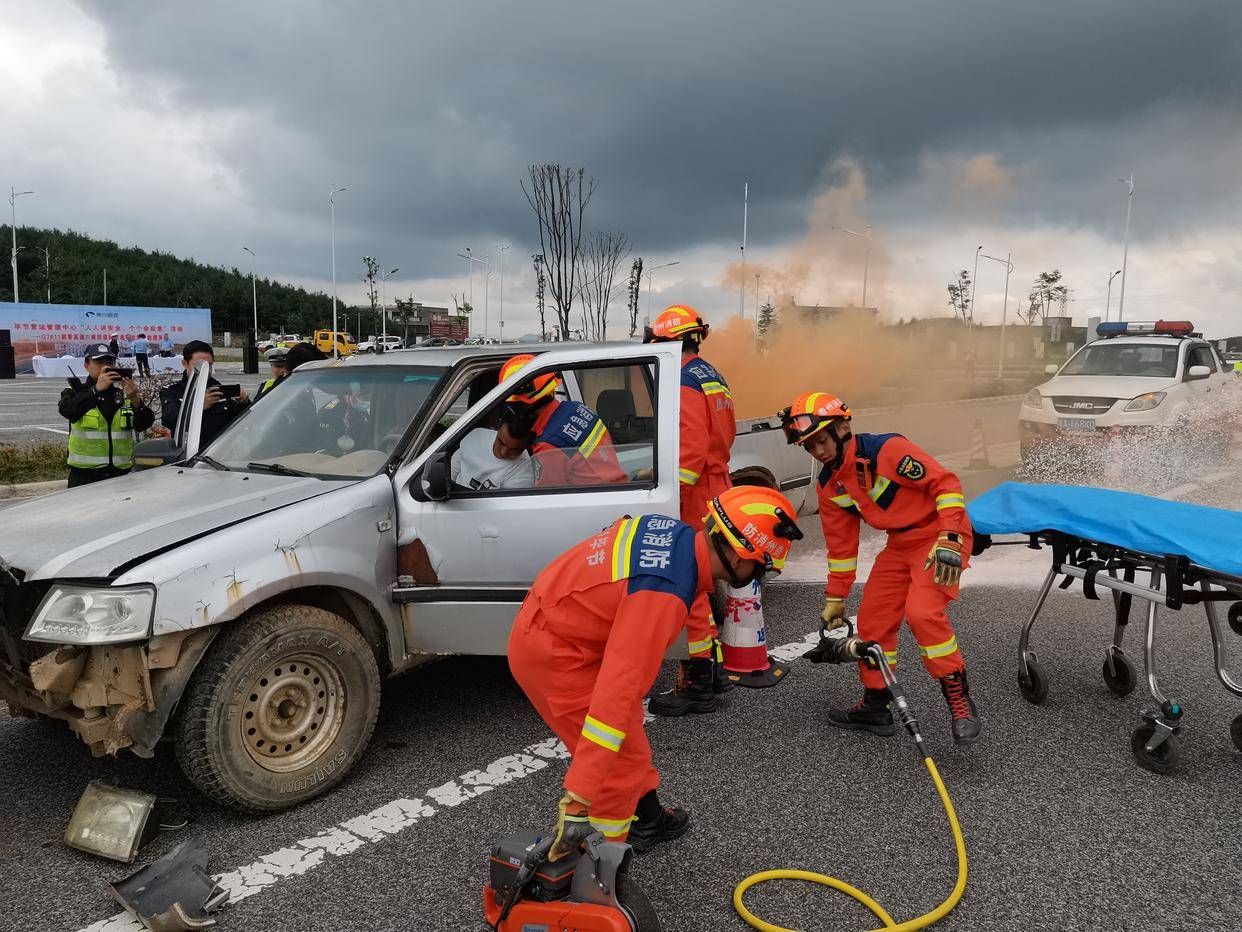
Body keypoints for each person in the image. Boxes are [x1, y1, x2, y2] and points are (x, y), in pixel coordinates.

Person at [508, 486, 803, 859]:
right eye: (759, 568)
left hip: (557, 625)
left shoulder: (676, 536)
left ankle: (647, 817)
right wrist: (579, 797)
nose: (757, 577)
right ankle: (598, 876)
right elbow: (615, 697)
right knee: (616, 773)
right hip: (555, 655)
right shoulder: (662, 594)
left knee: (628, 739)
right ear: (737, 555)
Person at [783, 392, 981, 745]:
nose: (817, 453)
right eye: (808, 447)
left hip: (940, 538)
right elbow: (842, 550)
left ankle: (960, 702)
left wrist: (950, 535)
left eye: (820, 442)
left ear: (843, 429)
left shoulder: (887, 451)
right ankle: (877, 705)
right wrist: (836, 599)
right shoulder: (830, 486)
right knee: (873, 622)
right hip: (900, 545)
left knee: (922, 614)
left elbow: (946, 484)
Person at [498, 353, 626, 487]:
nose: (512, 414)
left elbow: (546, 497)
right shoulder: (578, 408)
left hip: (594, 503)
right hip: (618, 491)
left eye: (513, 409)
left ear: (524, 409)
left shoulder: (549, 445)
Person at [58, 343, 155, 487]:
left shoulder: (123, 395)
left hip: (121, 476)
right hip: (84, 477)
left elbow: (143, 424)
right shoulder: (74, 392)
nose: (105, 367)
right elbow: (68, 410)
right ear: (86, 365)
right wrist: (96, 390)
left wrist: (135, 399)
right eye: (99, 362)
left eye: (109, 362)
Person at [160, 340, 250, 448]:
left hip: (220, 454)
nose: (205, 371)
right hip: (188, 455)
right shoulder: (172, 391)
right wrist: (198, 406)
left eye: (209, 365)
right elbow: (170, 420)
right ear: (185, 364)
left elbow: (243, 422)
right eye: (199, 366)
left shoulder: (219, 389)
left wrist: (244, 403)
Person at [450, 421, 535, 491]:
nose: (503, 453)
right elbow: (454, 465)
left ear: (526, 447)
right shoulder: (477, 436)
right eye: (501, 442)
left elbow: (500, 506)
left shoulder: (523, 473)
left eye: (515, 450)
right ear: (497, 430)